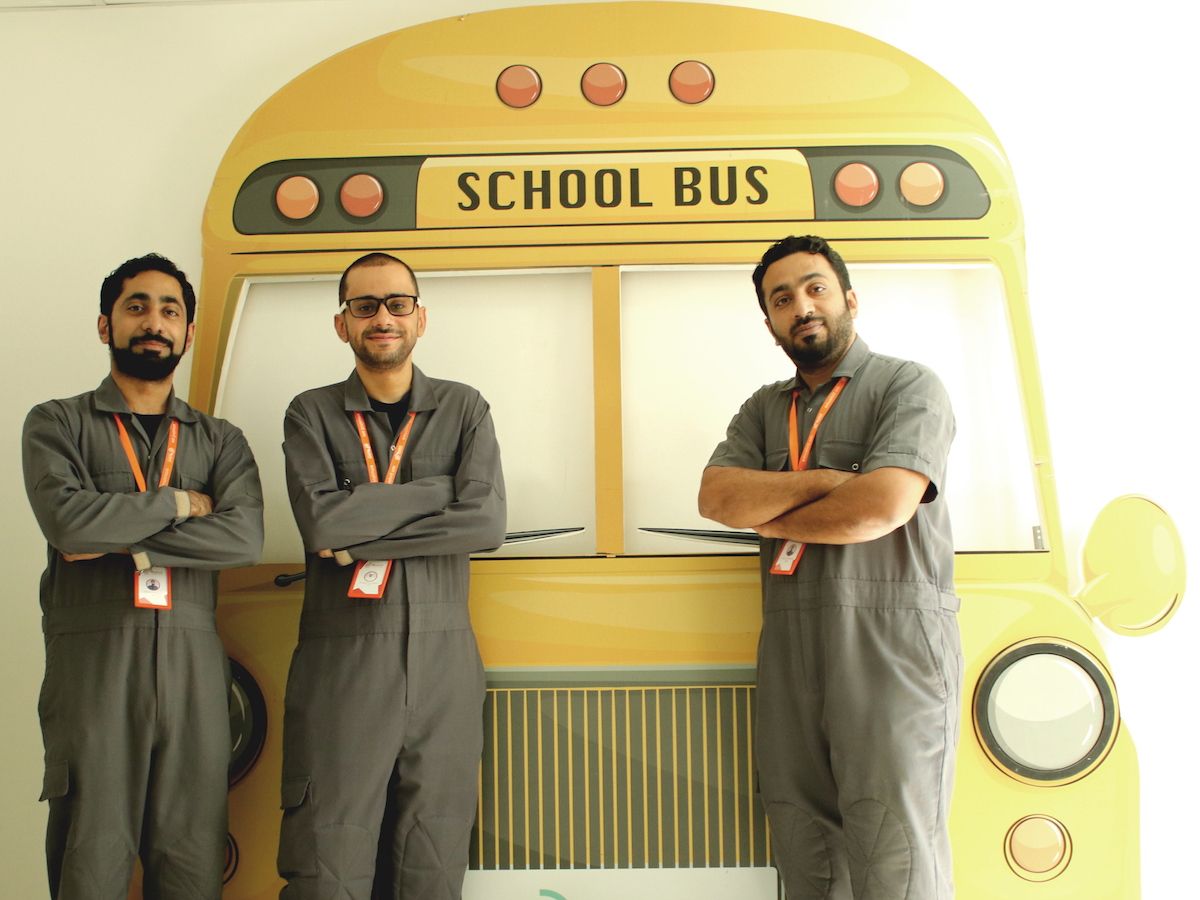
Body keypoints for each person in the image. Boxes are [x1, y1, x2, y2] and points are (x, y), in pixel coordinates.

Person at [698, 235, 962, 899]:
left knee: (895, 852)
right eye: (782, 299)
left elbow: (881, 506)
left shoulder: (908, 386)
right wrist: (825, 480)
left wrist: (771, 513)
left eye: (815, 288)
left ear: (849, 298)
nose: (802, 307)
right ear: (769, 322)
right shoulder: (764, 409)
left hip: (890, 643)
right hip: (791, 645)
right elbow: (718, 498)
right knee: (805, 850)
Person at [21, 253, 264, 899]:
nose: (154, 322)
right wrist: (181, 503)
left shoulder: (221, 440)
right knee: (90, 861)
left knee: (192, 863)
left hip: (194, 671)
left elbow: (243, 538)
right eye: (137, 307)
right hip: (95, 671)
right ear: (106, 325)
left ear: (188, 332)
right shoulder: (56, 423)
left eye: (169, 311)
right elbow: (68, 525)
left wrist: (120, 538)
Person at [277, 252, 506, 899]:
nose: (383, 317)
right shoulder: (310, 413)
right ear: (342, 323)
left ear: (419, 318)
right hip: (343, 662)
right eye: (365, 305)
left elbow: (486, 524)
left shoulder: (465, 408)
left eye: (397, 303)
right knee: (330, 859)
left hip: (444, 663)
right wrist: (438, 490)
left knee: (432, 860)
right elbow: (323, 524)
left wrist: (362, 530)